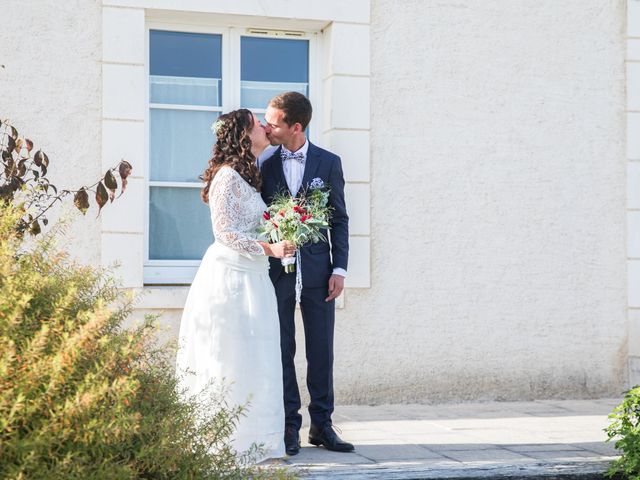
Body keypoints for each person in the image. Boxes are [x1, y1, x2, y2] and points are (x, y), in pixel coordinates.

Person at [175, 109, 295, 463]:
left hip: (254, 277)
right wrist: (270, 248)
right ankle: (223, 439)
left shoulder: (250, 174)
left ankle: (254, 438)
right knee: (229, 356)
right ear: (244, 135)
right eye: (257, 122)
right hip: (230, 279)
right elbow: (224, 234)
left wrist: (280, 238)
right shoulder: (227, 176)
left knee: (255, 359)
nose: (264, 125)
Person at [260, 92, 354, 455]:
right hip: (276, 271)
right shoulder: (264, 162)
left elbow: (339, 219)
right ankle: (289, 425)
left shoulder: (329, 163)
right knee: (282, 347)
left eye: (274, 122)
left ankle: (322, 425)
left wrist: (340, 268)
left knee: (321, 349)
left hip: (319, 271)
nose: (268, 127)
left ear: (295, 127)